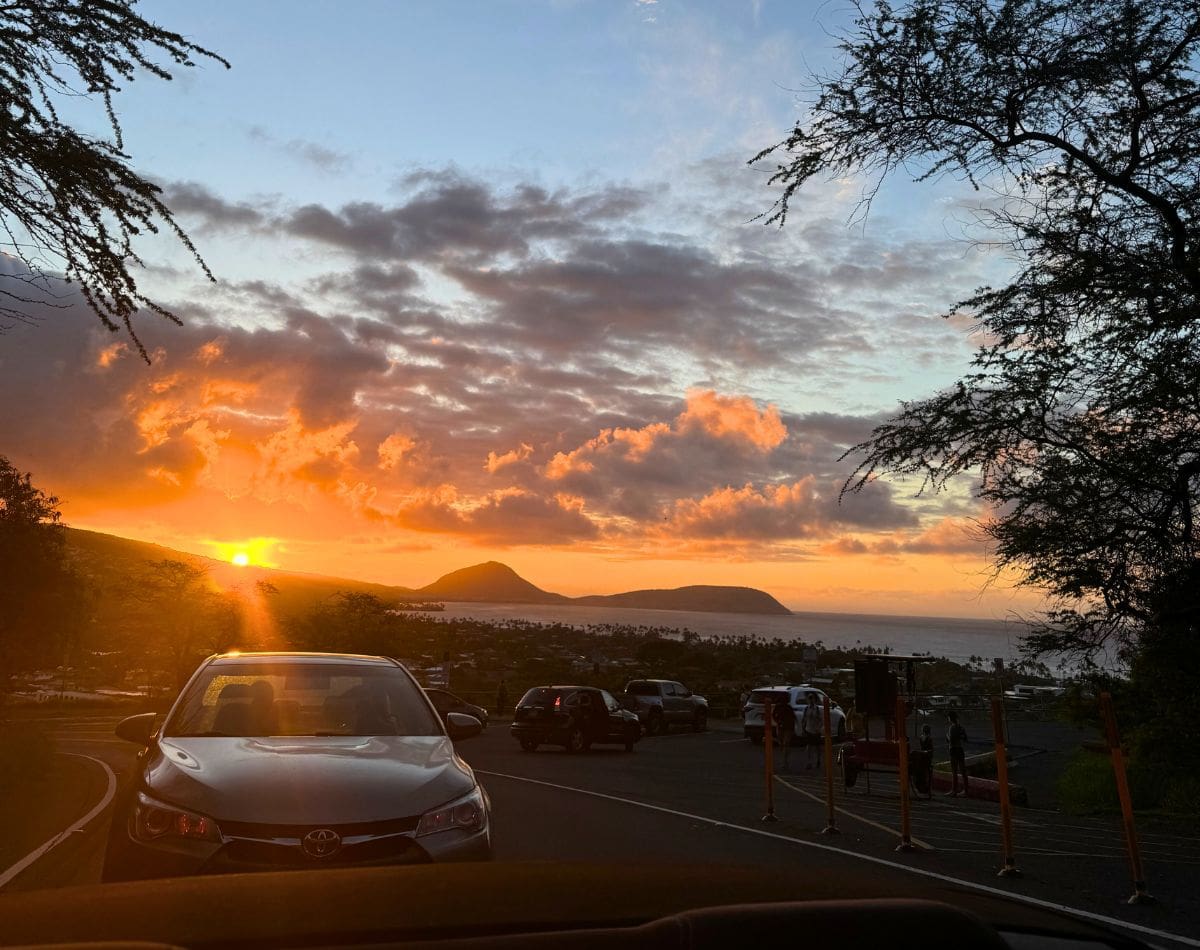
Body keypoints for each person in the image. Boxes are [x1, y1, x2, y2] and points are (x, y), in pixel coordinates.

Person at [946, 711, 969, 796]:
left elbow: (951, 740)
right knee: (963, 771)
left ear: (950, 718)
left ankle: (954, 790)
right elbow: (965, 739)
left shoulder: (952, 728)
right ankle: (966, 790)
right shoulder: (961, 727)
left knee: (954, 771)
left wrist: (947, 736)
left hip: (953, 749)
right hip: (960, 749)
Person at [771, 696, 795, 770]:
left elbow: (792, 718)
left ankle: (785, 761)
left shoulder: (788, 708)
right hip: (781, 726)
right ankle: (784, 759)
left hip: (788, 727)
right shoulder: (778, 707)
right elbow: (773, 715)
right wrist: (777, 721)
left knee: (785, 743)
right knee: (781, 743)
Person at [800, 692, 823, 770]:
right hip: (809, 729)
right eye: (809, 698)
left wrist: (819, 728)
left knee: (817, 747)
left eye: (812, 698)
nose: (811, 700)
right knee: (809, 747)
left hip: (816, 731)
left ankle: (818, 760)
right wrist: (803, 729)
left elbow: (821, 720)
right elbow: (804, 719)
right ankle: (809, 762)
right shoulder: (806, 709)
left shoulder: (817, 709)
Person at [919, 724, 934, 798]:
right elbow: (931, 749)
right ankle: (926, 789)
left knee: (926, 773)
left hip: (925, 757)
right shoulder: (926, 738)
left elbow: (930, 749)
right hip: (925, 757)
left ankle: (926, 789)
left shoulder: (923, 737)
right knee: (926, 774)